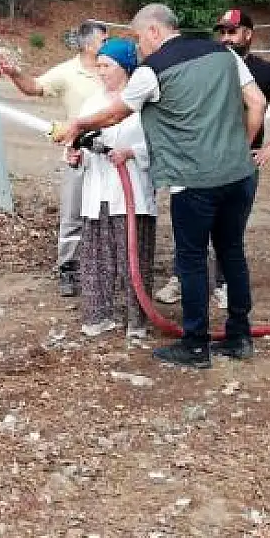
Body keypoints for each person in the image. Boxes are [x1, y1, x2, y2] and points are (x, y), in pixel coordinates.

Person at [52, 4, 266, 369]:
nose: (137, 48)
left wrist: (76, 126)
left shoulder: (153, 70)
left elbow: (115, 113)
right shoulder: (224, 53)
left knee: (193, 260)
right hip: (239, 176)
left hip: (193, 182)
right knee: (232, 252)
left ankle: (196, 345)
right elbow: (258, 104)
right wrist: (238, 153)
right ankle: (239, 336)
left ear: (154, 30)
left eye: (138, 38)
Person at [153, 8, 270, 306]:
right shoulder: (204, 65)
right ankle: (181, 278)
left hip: (241, 162)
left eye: (231, 32)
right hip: (200, 158)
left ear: (248, 34)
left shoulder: (265, 71)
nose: (225, 38)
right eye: (221, 32)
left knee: (230, 229)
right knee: (190, 224)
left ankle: (222, 284)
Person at [0, 22, 109, 296]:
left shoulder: (114, 70)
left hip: (111, 155)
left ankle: (103, 267)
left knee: (108, 213)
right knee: (73, 213)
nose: (108, 44)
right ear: (87, 44)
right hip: (78, 154)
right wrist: (14, 73)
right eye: (103, 40)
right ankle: (68, 268)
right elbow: (34, 88)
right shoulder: (68, 72)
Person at [72, 59, 156, 340]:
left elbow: (161, 142)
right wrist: (75, 156)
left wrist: (131, 152)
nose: (101, 71)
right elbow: (79, 140)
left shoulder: (143, 102)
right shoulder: (91, 103)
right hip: (98, 192)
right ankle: (99, 316)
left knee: (133, 256)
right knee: (95, 255)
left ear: (124, 68)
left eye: (107, 65)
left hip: (132, 191)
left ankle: (137, 321)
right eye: (99, 66)